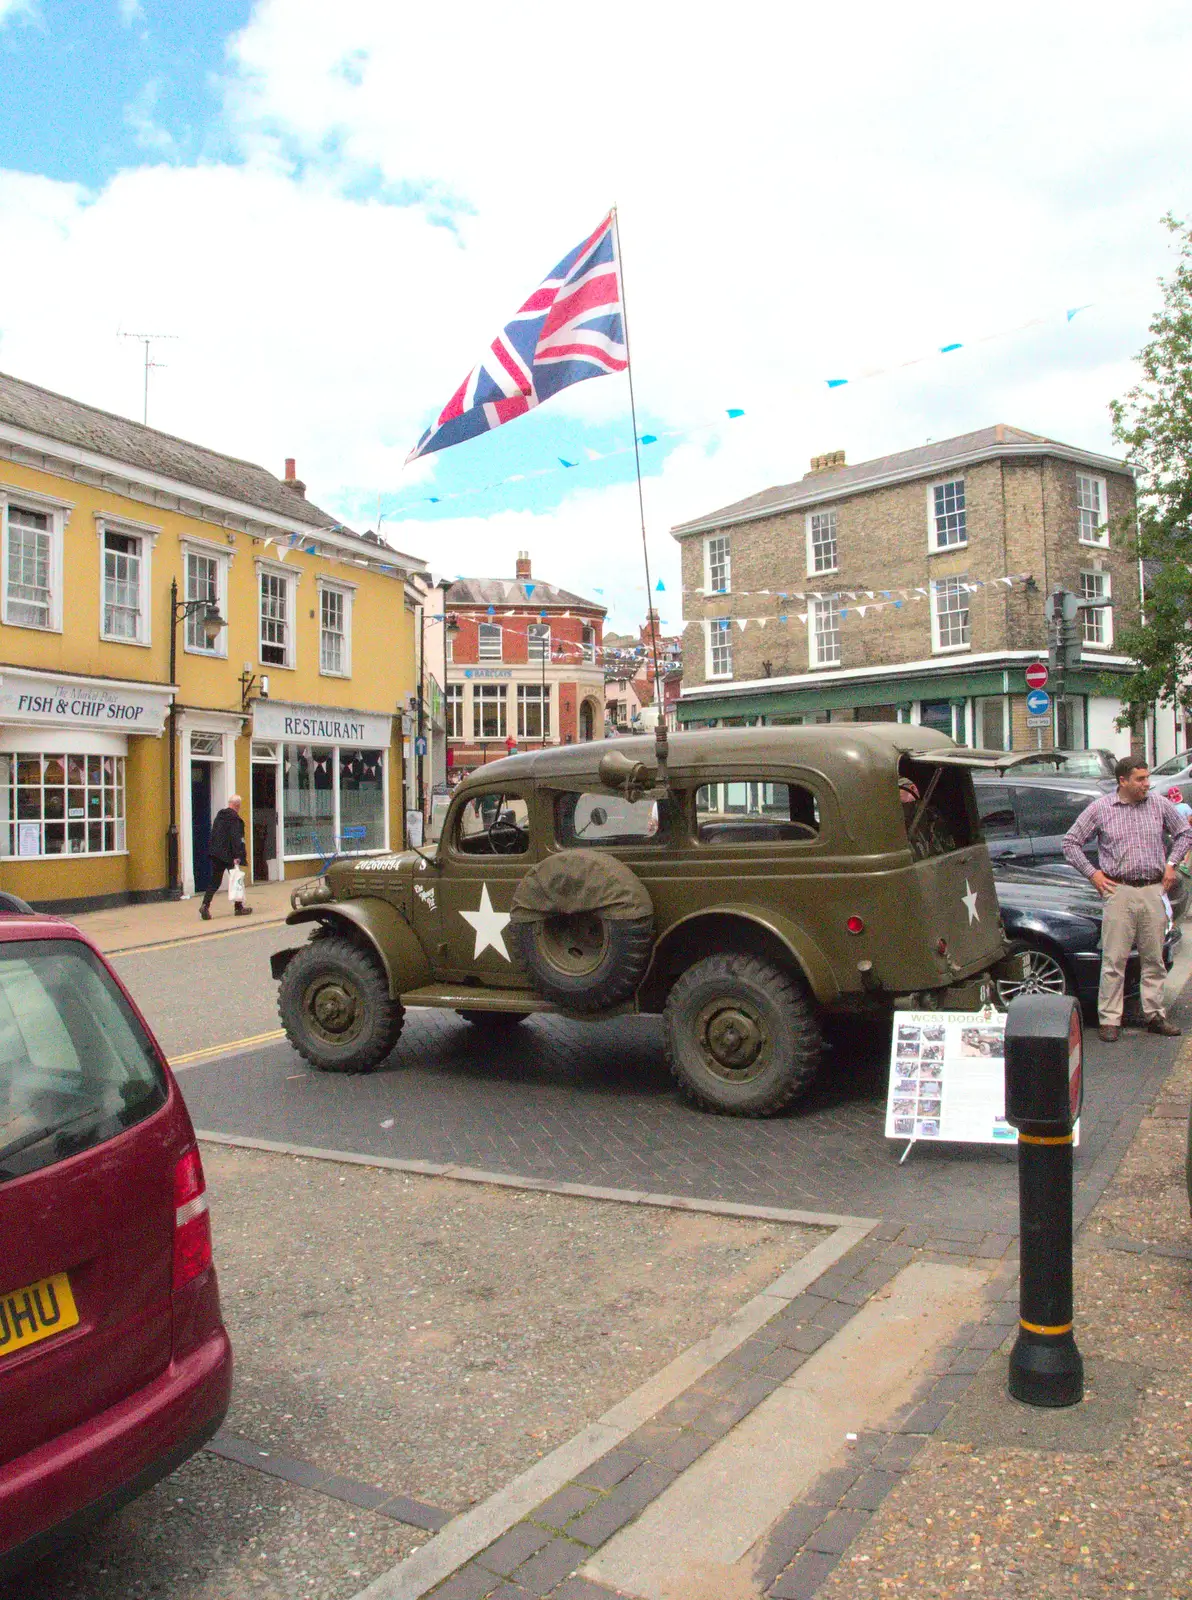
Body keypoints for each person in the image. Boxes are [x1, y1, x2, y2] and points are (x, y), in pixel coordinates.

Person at [1062, 758, 1192, 1042]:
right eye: (1140, 779)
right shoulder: (1101, 808)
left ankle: (1154, 1014)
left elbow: (1185, 833)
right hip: (1118, 891)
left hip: (1152, 890)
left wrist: (1171, 864)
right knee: (1114, 959)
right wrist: (1093, 874)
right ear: (1123, 781)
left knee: (1153, 958)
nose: (1147, 784)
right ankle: (1110, 1019)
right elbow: (1070, 843)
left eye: (1147, 778)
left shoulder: (1158, 805)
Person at [199, 793, 253, 920]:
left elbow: (214, 834)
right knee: (236, 881)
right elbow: (236, 838)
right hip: (229, 856)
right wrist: (237, 855)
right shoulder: (234, 819)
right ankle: (238, 908)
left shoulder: (219, 816)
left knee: (215, 881)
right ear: (237, 805)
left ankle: (205, 905)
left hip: (217, 854)